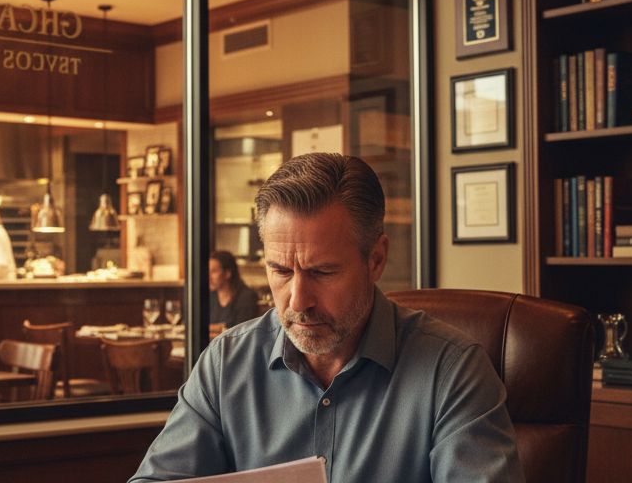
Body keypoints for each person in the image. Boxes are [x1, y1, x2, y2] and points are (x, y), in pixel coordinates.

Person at [131, 153, 523, 482]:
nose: (298, 301)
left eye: (321, 272)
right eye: (281, 271)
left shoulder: (452, 371)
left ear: (376, 259)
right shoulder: (225, 363)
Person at [208, 250, 259, 329]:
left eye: (213, 271)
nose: (208, 277)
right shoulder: (210, 296)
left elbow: (241, 332)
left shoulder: (246, 297)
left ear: (227, 273)